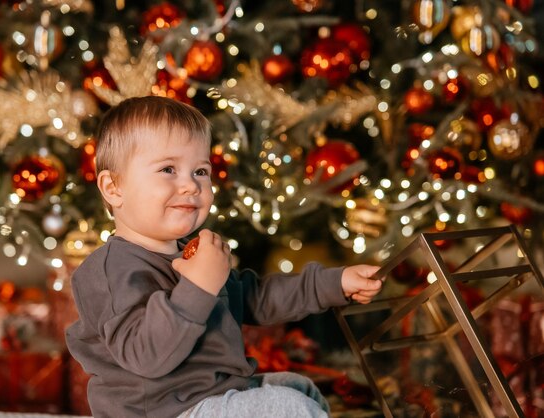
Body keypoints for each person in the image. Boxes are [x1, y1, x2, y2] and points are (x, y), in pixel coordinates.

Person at [65, 96, 383, 418]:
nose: (190, 184)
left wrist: (334, 283)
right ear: (113, 187)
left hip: (210, 396)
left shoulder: (194, 253)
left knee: (298, 388)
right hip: (161, 411)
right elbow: (147, 356)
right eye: (168, 169)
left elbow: (256, 297)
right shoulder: (110, 271)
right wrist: (199, 285)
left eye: (201, 171)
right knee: (289, 407)